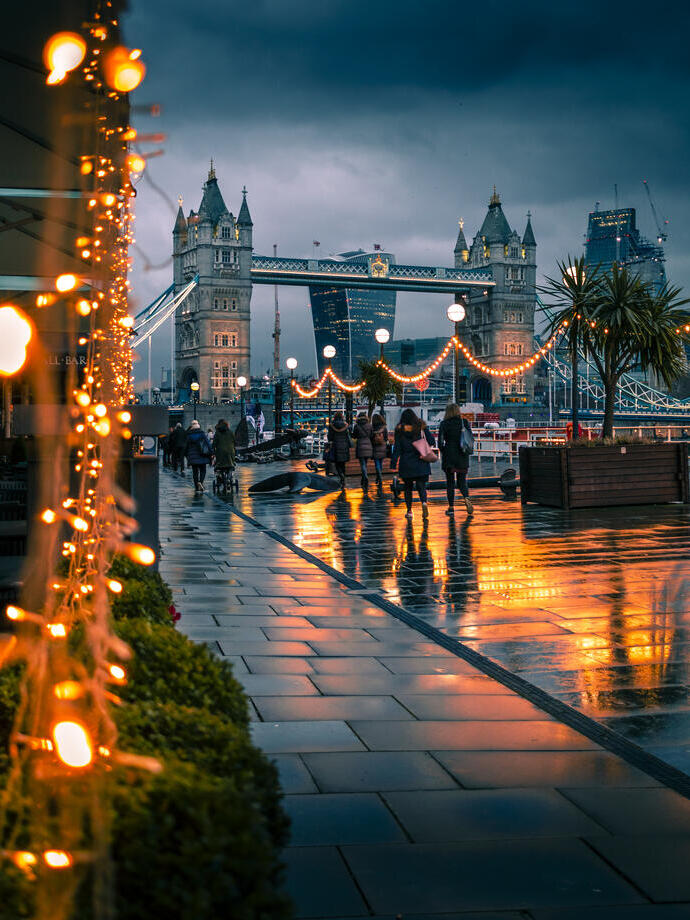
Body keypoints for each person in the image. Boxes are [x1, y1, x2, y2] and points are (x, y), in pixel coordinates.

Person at [391, 407, 436, 520]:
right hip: (421, 461)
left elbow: (397, 448)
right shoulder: (421, 427)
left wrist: (393, 463)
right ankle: (424, 503)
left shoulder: (400, 430)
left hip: (406, 462)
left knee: (408, 488)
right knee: (421, 486)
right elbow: (431, 441)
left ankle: (409, 511)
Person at [438, 403, 474, 516]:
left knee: (450, 483)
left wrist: (444, 450)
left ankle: (451, 508)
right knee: (462, 481)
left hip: (449, 456)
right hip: (462, 455)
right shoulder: (464, 422)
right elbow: (470, 438)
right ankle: (466, 498)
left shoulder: (444, 424)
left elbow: (440, 442)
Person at [185, 419, 212, 491]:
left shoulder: (189, 435)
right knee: (203, 470)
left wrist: (186, 455)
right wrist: (211, 452)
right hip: (202, 454)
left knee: (195, 472)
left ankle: (196, 487)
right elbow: (207, 444)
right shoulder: (202, 434)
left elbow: (186, 446)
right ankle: (200, 482)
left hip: (193, 456)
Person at [327, 411, 351, 489]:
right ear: (342, 417)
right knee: (343, 463)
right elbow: (348, 436)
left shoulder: (332, 425)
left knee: (337, 463)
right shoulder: (346, 425)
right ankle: (343, 477)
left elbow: (330, 437)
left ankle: (341, 476)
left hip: (336, 445)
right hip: (344, 445)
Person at [352, 411, 374, 488]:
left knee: (362, 464)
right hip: (368, 445)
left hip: (360, 445)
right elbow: (372, 435)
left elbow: (354, 436)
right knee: (365, 463)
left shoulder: (357, 426)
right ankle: (364, 478)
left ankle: (365, 477)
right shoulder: (370, 426)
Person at [213, 418, 236, 489]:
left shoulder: (217, 433)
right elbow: (235, 441)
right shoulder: (231, 432)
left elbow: (214, 444)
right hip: (230, 452)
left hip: (220, 452)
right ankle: (229, 479)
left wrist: (213, 450)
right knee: (230, 466)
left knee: (219, 466)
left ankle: (220, 477)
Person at [370, 412, 388, 488]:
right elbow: (386, 438)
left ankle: (379, 476)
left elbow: (370, 437)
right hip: (382, 447)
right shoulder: (384, 428)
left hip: (375, 447)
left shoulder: (372, 428)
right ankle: (379, 476)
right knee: (380, 462)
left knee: (377, 462)